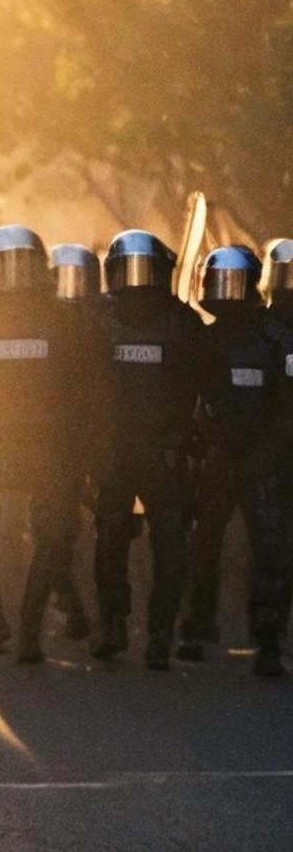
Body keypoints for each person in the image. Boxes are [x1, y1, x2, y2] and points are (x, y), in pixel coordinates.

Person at [0, 225, 105, 662]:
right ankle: (4, 625)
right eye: (5, 263)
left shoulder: (58, 319)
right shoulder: (50, 317)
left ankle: (15, 627)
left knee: (38, 536)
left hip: (37, 446)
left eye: (22, 263)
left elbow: (89, 388)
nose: (14, 273)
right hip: (15, 446)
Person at [91, 231, 204, 669]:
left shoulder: (100, 317)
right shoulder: (182, 321)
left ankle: (117, 628)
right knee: (168, 546)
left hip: (125, 452)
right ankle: (157, 635)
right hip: (160, 452)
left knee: (112, 541)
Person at [179, 246, 292, 677]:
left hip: (264, 459)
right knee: (203, 544)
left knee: (271, 552)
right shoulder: (202, 340)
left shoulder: (276, 339)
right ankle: (196, 623)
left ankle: (267, 639)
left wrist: (267, 454)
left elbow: (287, 408)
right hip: (217, 458)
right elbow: (184, 400)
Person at [47, 243, 104, 641]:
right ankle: (80, 608)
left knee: (62, 530)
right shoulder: (47, 321)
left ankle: (82, 608)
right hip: (75, 441)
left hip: (86, 440)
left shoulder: (108, 320)